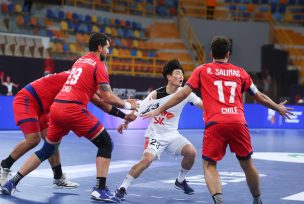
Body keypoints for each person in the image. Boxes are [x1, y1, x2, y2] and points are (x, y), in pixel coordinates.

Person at [143, 36, 293, 204]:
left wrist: (160, 108)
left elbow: (182, 94)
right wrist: (277, 107)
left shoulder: (202, 70)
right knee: (247, 165)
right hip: (238, 122)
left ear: (211, 53)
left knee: (209, 165)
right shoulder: (240, 72)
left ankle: (219, 201)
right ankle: (257, 200)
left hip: (215, 123)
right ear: (228, 54)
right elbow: (259, 96)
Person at [1, 32, 138, 203]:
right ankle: (100, 189)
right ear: (100, 48)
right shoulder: (99, 66)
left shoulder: (79, 62)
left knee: (47, 150)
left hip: (56, 107)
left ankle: (11, 183)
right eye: (108, 48)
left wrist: (123, 115)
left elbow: (101, 102)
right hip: (69, 108)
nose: (108, 52)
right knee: (105, 143)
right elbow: (106, 99)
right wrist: (128, 105)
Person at [0, 71, 136, 188]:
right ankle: (4, 166)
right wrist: (126, 110)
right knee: (33, 139)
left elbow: (102, 100)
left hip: (42, 107)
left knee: (51, 141)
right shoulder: (79, 80)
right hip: (27, 100)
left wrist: (125, 110)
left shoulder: (76, 77)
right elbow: (103, 101)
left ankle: (58, 177)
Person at [114, 59, 203, 201]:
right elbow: (140, 108)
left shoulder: (186, 93)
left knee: (191, 152)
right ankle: (122, 187)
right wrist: (125, 122)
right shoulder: (156, 94)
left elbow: (202, 105)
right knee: (146, 160)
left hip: (173, 136)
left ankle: (180, 181)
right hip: (155, 136)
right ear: (168, 77)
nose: (181, 77)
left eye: (182, 74)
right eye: (178, 74)